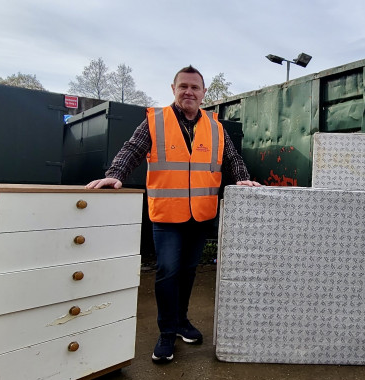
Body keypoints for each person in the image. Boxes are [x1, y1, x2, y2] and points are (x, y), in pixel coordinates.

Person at [86, 65, 261, 363]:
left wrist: (242, 177)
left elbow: (231, 157)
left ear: (204, 93)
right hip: (167, 216)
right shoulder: (155, 122)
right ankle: (166, 332)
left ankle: (181, 321)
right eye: (184, 87)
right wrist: (116, 174)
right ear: (173, 89)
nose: (189, 92)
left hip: (200, 215)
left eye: (195, 87)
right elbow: (132, 149)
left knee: (189, 271)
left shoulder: (215, 126)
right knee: (168, 270)